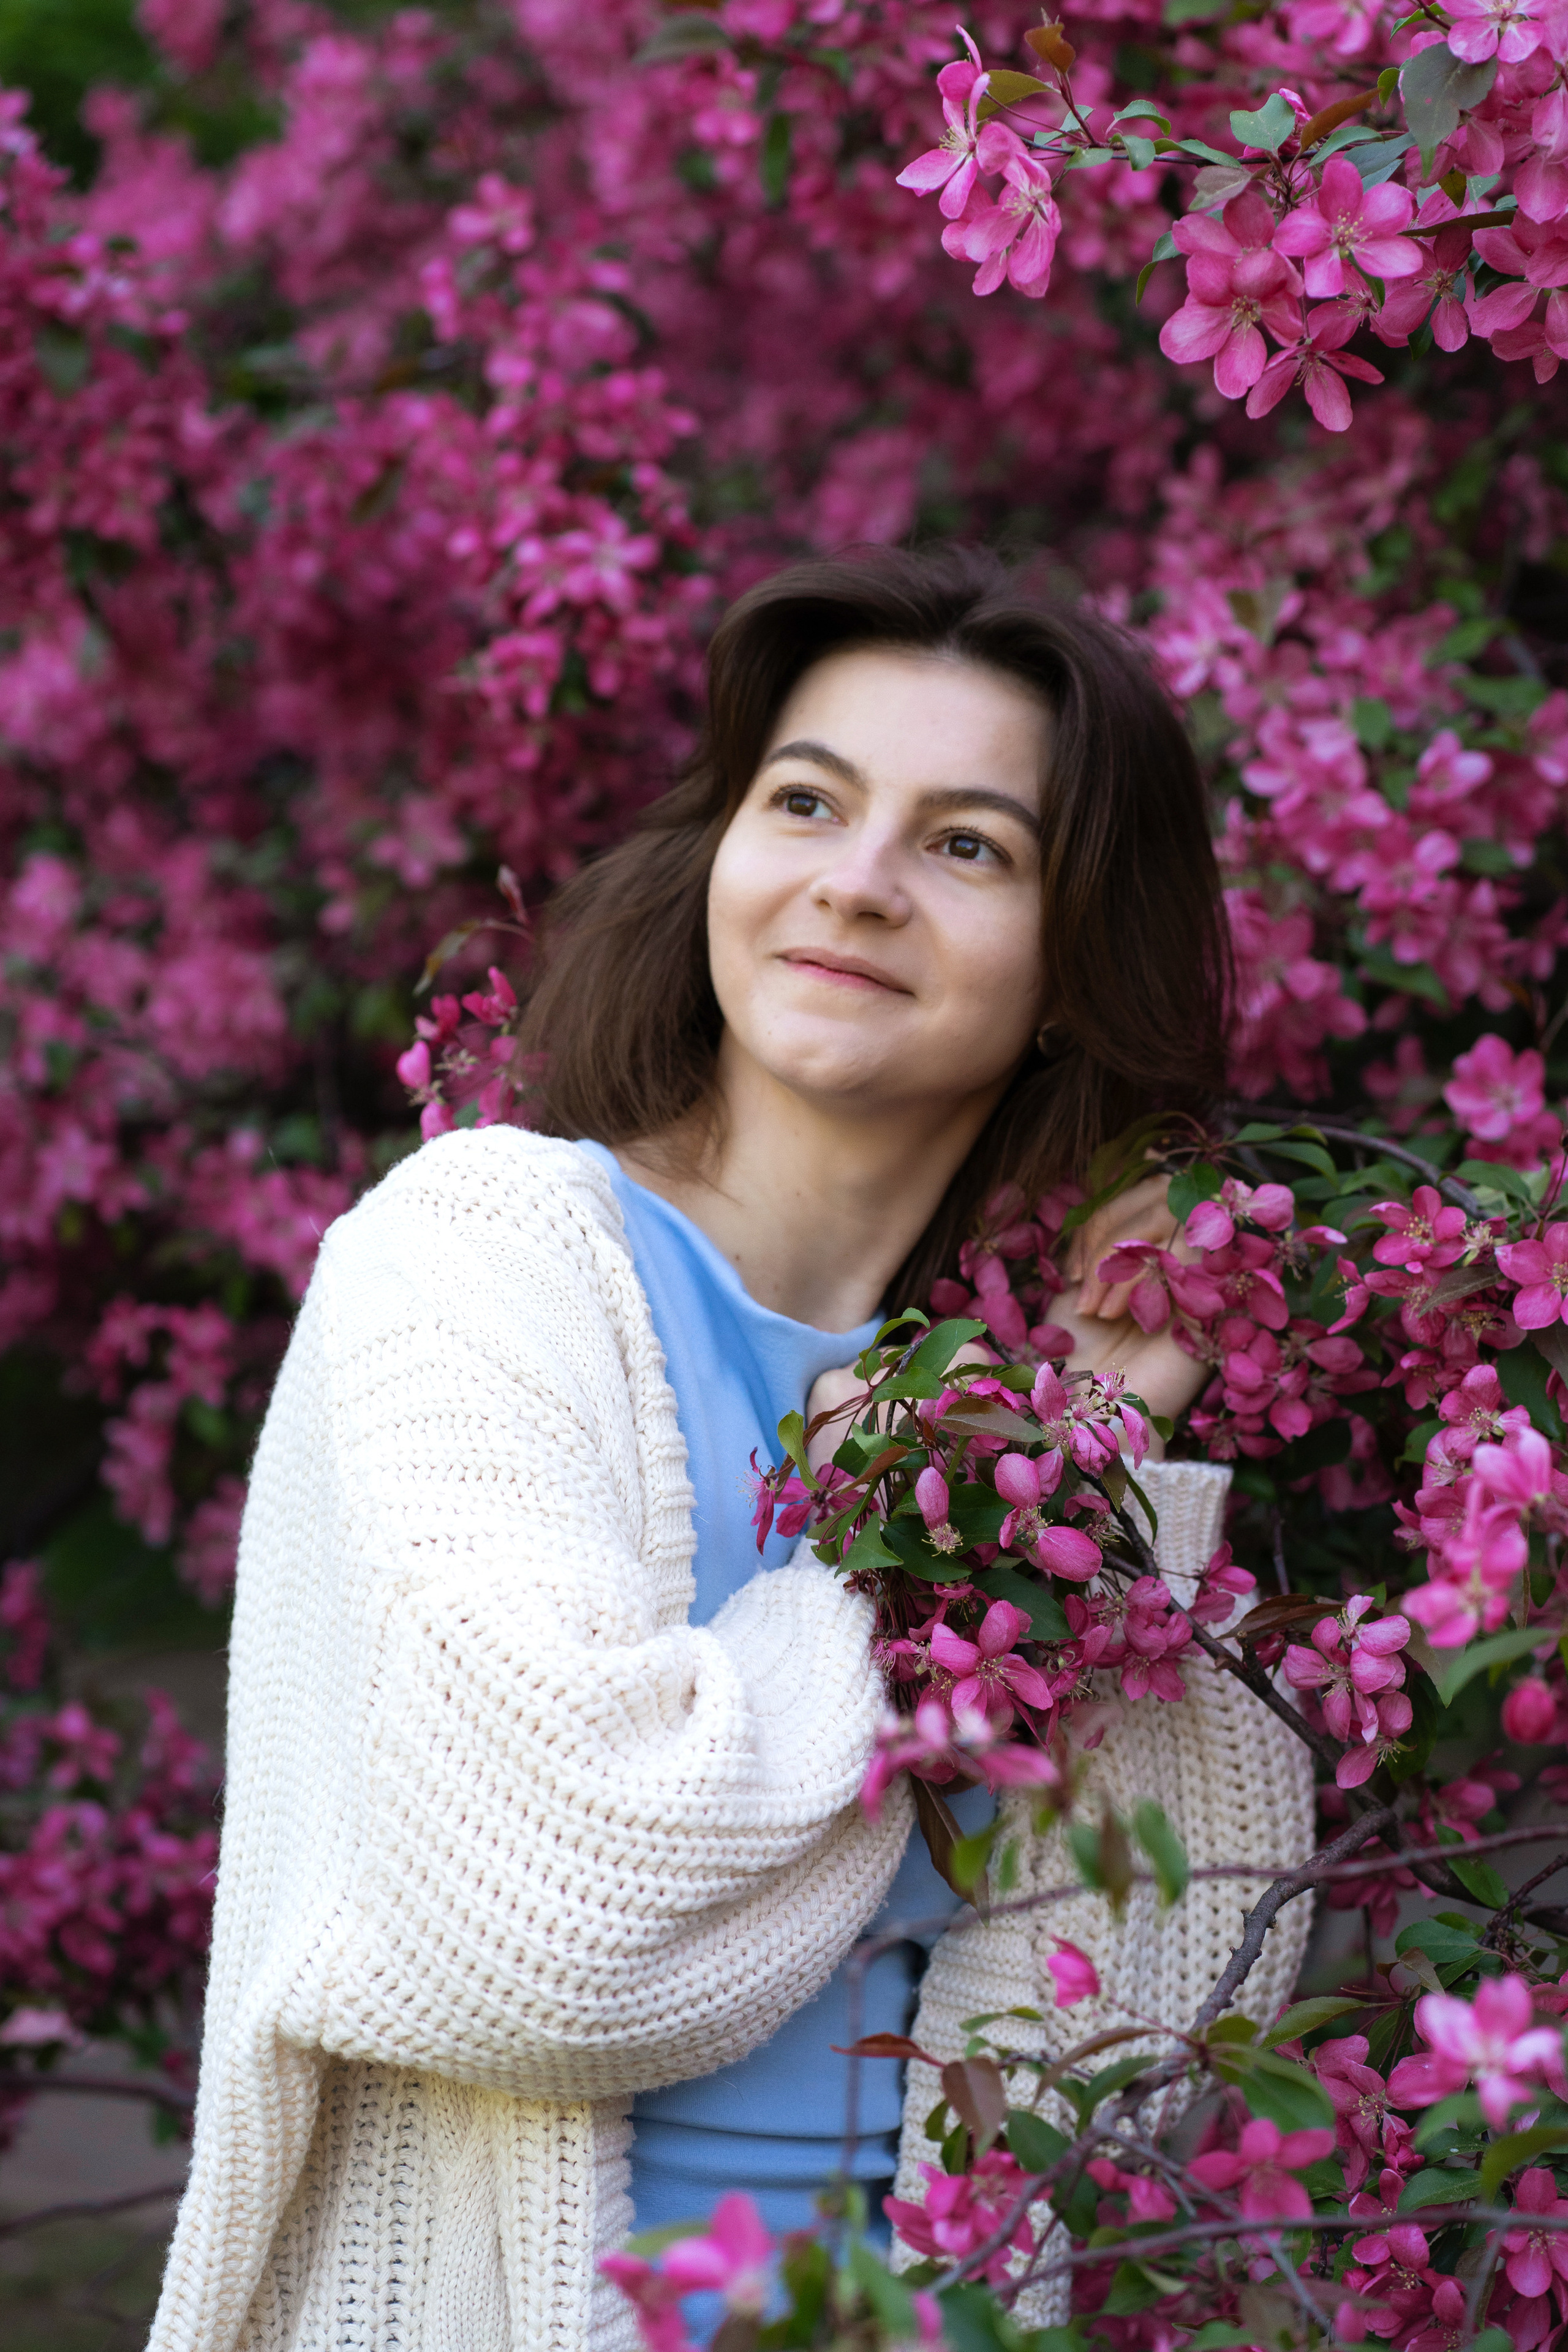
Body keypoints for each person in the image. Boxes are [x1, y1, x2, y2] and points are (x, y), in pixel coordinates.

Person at [148, 545, 1314, 2352]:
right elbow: (547, 1932)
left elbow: (1156, 2042)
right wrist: (936, 1537)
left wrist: (1098, 1468)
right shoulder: (473, 1260)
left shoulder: (1038, 1396)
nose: (857, 882)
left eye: (967, 845)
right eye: (808, 803)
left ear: (1072, 970)